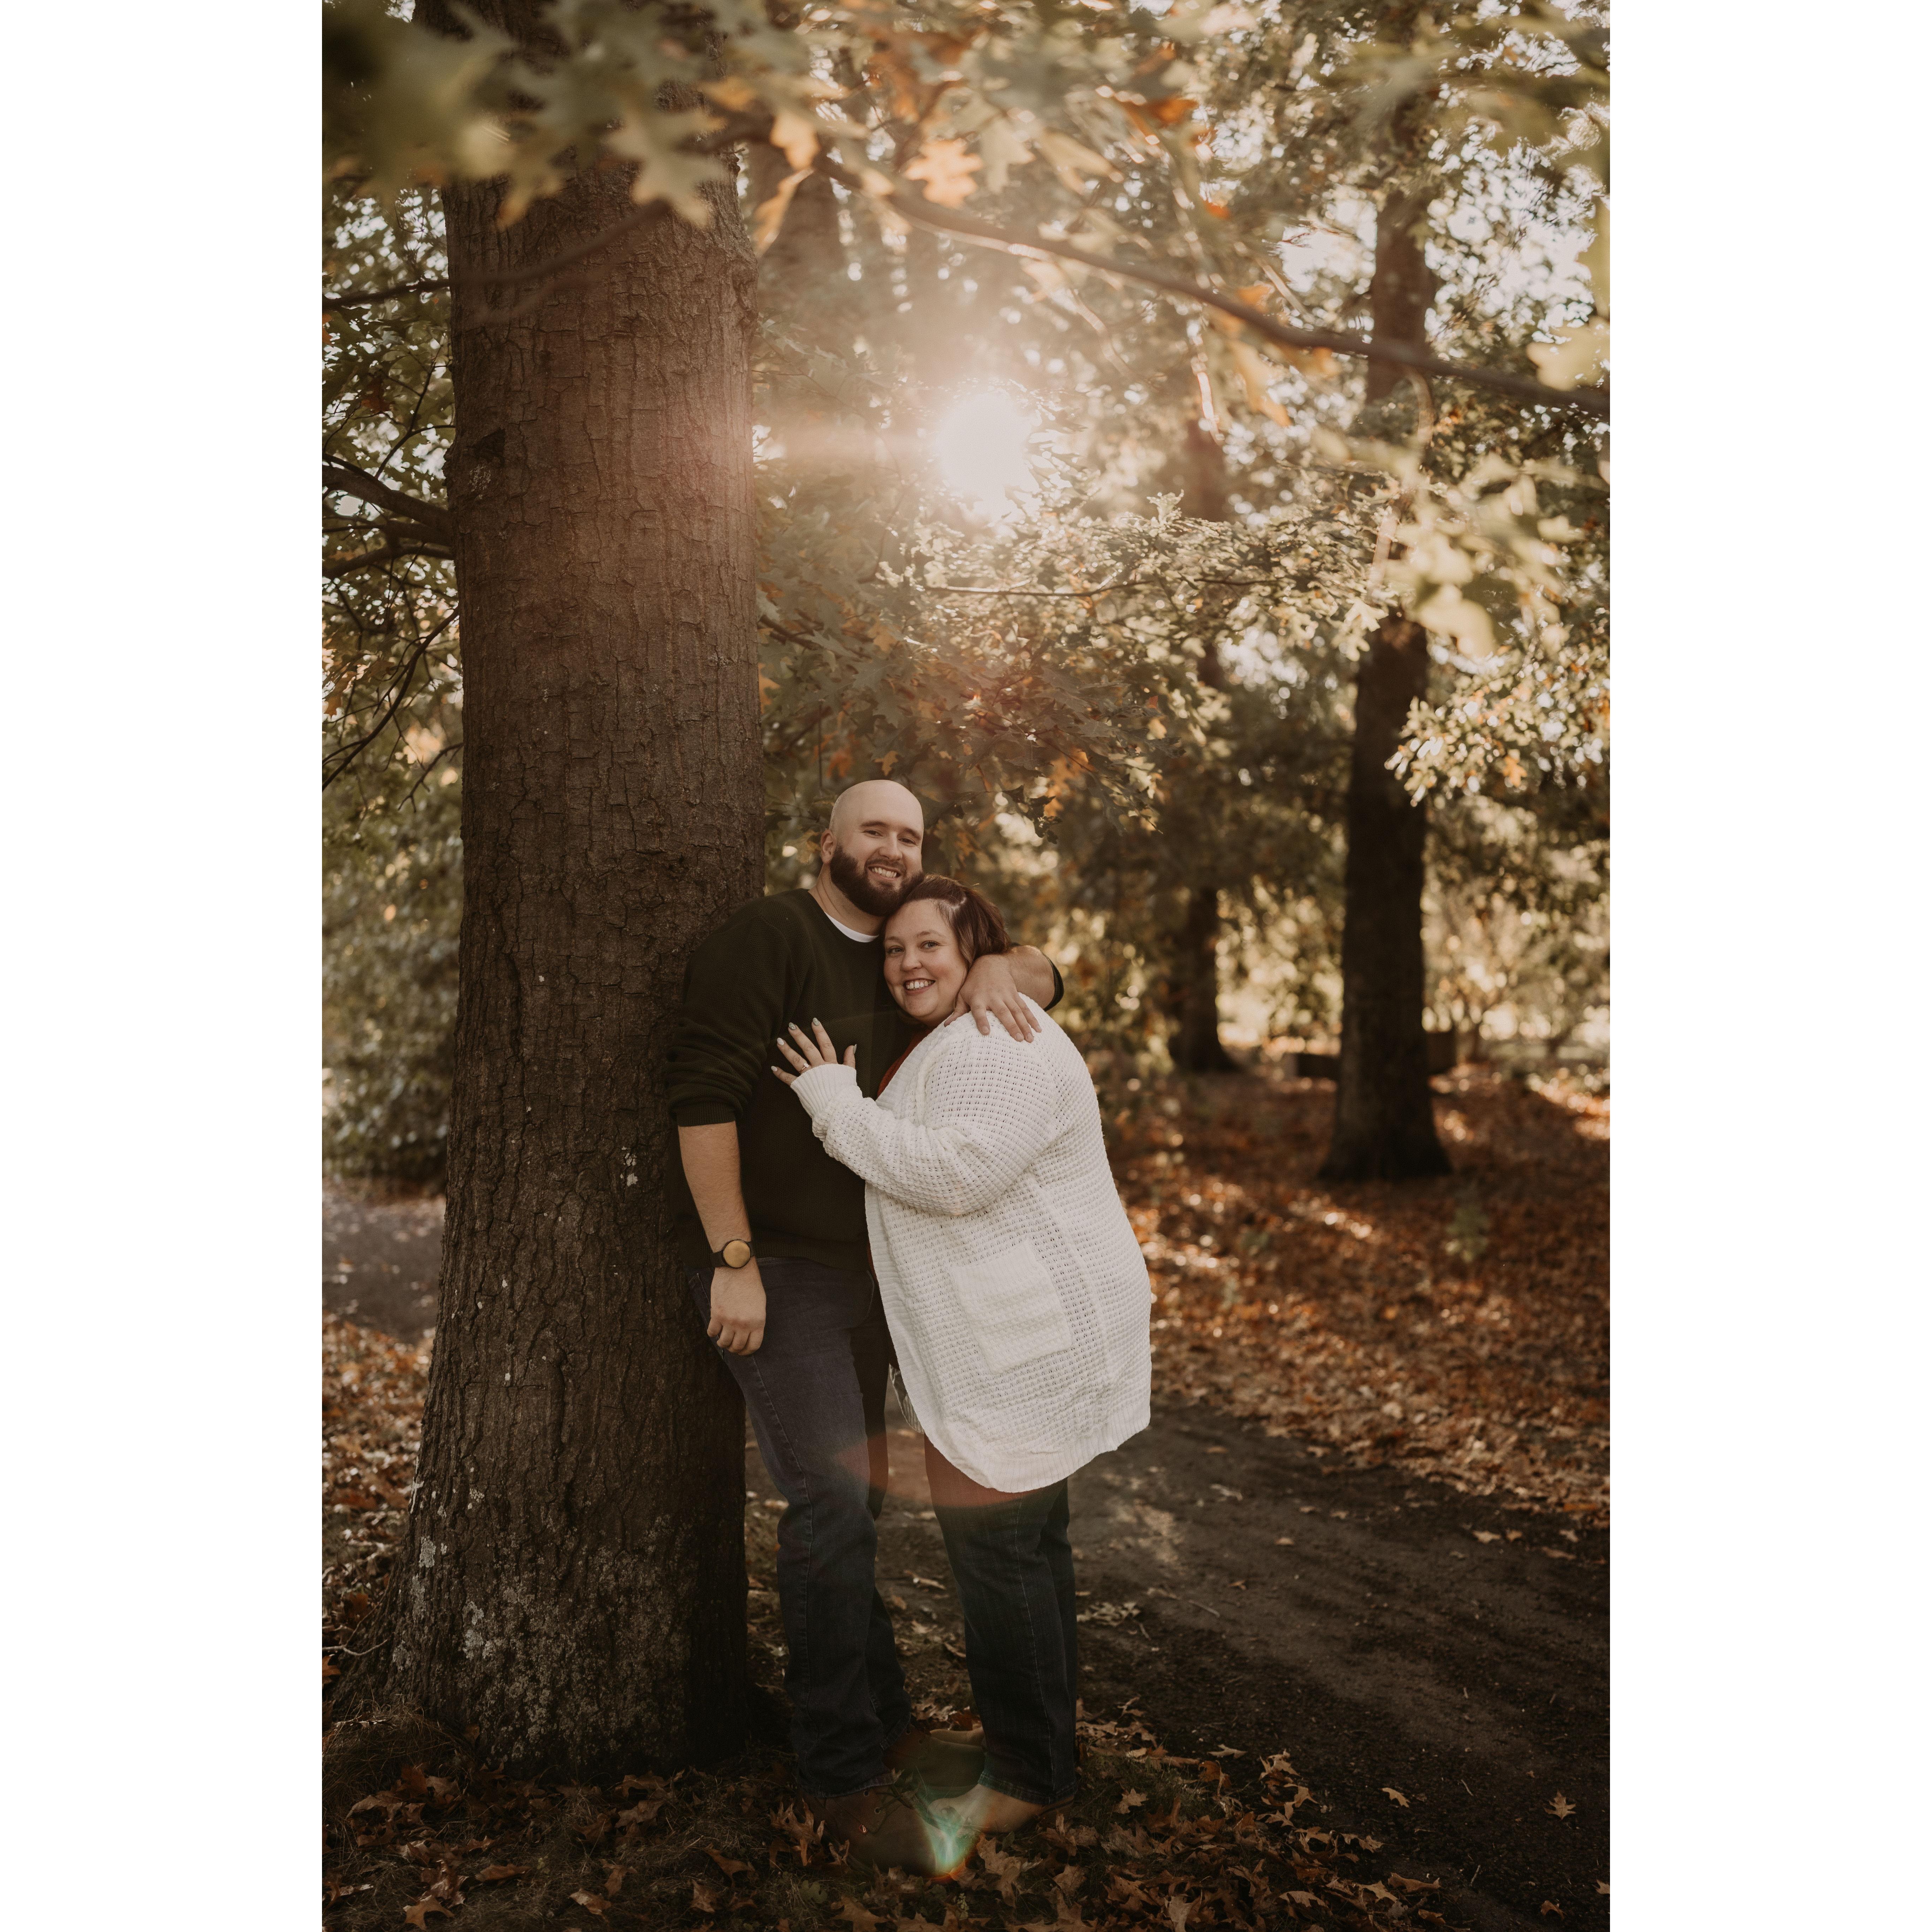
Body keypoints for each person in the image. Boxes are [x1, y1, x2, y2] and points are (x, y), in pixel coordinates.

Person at [665, 780, 1064, 1869]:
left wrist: (1009, 966)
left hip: (881, 1277)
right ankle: (840, 1776)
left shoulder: (910, 955)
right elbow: (702, 1099)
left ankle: (885, 1720)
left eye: (910, 836)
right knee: (831, 1506)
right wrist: (733, 1259)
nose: (892, 848)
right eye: (874, 830)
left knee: (859, 1508)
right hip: (779, 1273)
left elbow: (1045, 976)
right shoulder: (769, 937)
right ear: (827, 841)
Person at [773, 873, 1152, 1871]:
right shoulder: (963, 1026)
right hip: (1013, 1337)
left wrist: (831, 1102)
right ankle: (1043, 1750)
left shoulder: (994, 1036)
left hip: (1021, 1347)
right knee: (1031, 1549)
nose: (908, 964)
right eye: (895, 950)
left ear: (974, 950)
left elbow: (956, 1175)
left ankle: (1027, 1776)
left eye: (930, 946)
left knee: (1003, 1556)